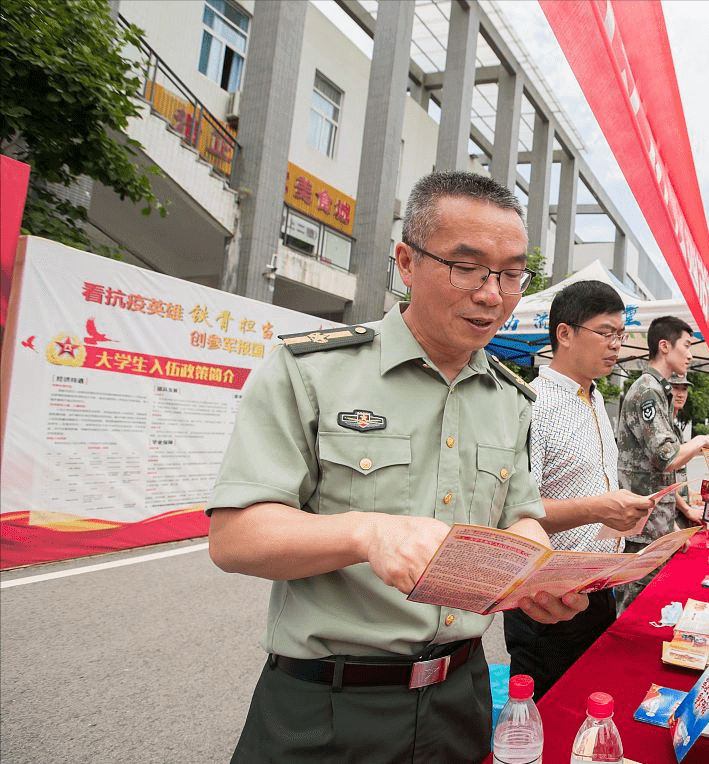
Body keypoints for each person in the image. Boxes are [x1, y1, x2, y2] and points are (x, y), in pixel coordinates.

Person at [206, 171, 588, 764]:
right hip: (325, 708)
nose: (493, 294)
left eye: (512, 274)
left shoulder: (511, 399)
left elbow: (520, 515)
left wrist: (538, 572)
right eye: (467, 267)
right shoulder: (310, 372)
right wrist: (367, 532)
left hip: (460, 699)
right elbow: (235, 537)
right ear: (406, 263)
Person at [503, 279, 656, 700]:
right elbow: (517, 510)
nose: (616, 346)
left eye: (620, 335)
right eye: (605, 333)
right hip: (549, 601)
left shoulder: (594, 401)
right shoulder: (532, 405)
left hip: (600, 587)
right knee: (547, 717)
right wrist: (597, 509)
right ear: (565, 333)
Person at [615, 315, 709, 610]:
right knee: (634, 613)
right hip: (643, 529)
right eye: (687, 345)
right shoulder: (648, 391)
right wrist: (703, 440)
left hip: (654, 527)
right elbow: (667, 458)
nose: (690, 354)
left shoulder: (657, 390)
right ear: (664, 346)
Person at [668, 372, 705, 529]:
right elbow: (661, 482)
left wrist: (689, 497)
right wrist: (687, 508)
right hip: (666, 517)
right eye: (675, 388)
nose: (680, 394)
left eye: (684, 389)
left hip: (677, 512)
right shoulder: (663, 428)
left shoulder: (675, 427)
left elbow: (677, 477)